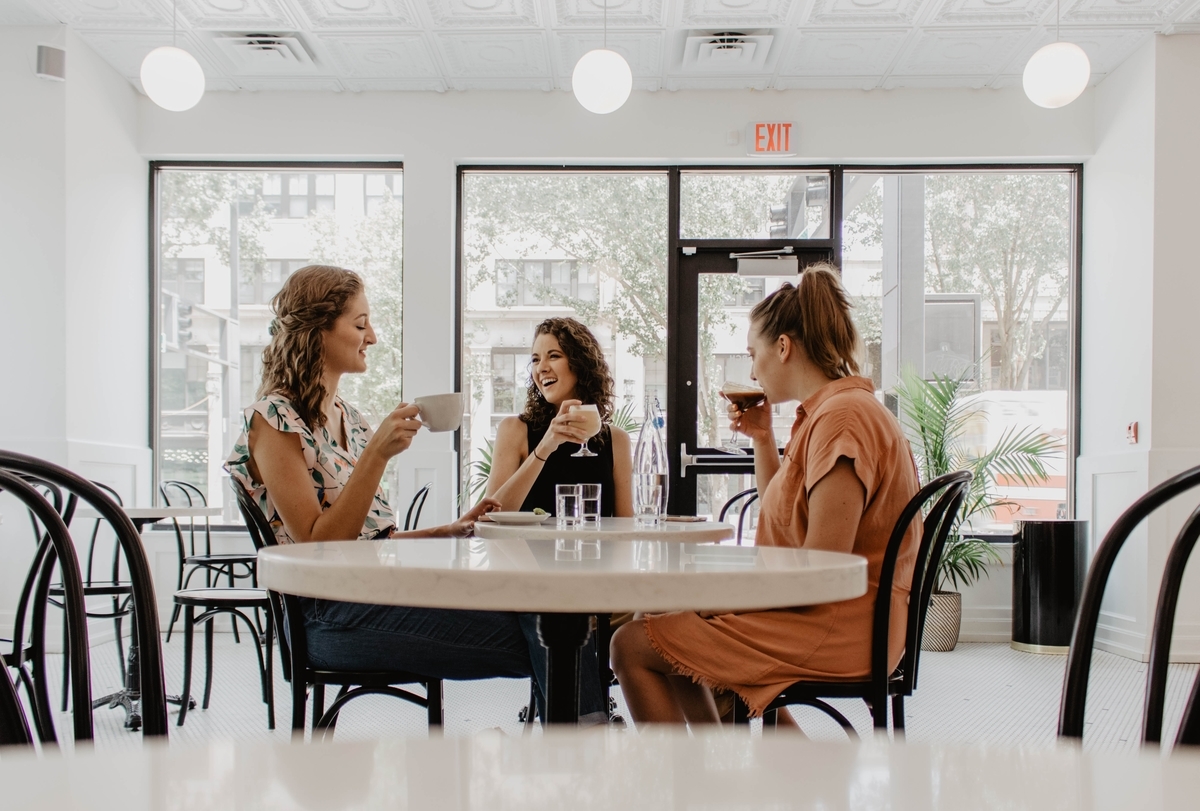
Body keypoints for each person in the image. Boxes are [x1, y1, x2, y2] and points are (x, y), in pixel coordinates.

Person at [225, 266, 600, 722]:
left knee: (550, 614)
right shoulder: (273, 420)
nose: (374, 336)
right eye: (360, 324)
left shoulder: (351, 419)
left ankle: (569, 754)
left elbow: (371, 546)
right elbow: (317, 547)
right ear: (315, 331)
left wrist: (449, 531)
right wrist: (377, 457)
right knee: (555, 631)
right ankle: (580, 758)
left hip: (373, 593)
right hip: (327, 618)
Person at [610, 264, 921, 725]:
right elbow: (783, 509)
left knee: (630, 645)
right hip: (848, 613)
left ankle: (690, 786)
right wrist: (761, 438)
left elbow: (821, 569)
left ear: (783, 347)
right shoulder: (827, 413)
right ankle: (729, 777)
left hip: (845, 625)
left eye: (752, 353)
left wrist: (725, 595)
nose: (752, 368)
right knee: (665, 615)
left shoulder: (843, 420)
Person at [485, 317, 633, 517]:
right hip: (527, 548)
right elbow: (489, 516)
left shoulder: (617, 440)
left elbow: (625, 526)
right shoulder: (514, 429)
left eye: (553, 356)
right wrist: (545, 446)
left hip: (597, 548)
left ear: (580, 364)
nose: (541, 368)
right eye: (536, 359)